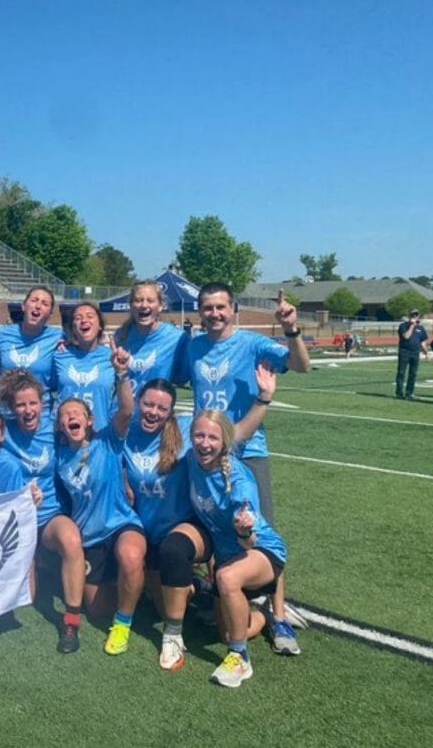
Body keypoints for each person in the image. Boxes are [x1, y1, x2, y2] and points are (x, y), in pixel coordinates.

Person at [124, 367, 275, 671]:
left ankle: (172, 634)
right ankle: (197, 589)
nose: (153, 411)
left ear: (171, 412)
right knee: (159, 602)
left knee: (173, 551)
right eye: (148, 404)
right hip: (146, 527)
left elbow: (234, 434)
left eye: (162, 407)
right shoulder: (127, 431)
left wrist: (263, 399)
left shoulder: (186, 432)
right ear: (139, 402)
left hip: (189, 528)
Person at [187, 283, 308, 654]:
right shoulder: (192, 347)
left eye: (221, 307)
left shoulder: (253, 344)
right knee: (214, 523)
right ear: (200, 311)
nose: (214, 314)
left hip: (248, 451)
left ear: (233, 308)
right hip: (206, 450)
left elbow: (301, 366)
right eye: (207, 307)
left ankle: (279, 615)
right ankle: (219, 595)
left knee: (260, 530)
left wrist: (292, 329)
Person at [188, 410, 289, 688]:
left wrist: (243, 528)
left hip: (260, 552)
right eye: (199, 435)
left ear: (224, 442)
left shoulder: (239, 479)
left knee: (227, 577)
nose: (204, 443)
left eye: (212, 437)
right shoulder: (192, 461)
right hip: (228, 558)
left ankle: (239, 658)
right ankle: (264, 618)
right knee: (229, 631)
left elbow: (249, 541)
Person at [54, 337, 139, 657]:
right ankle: (137, 587)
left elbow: (128, 410)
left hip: (120, 523)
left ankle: (129, 609)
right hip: (89, 536)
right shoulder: (59, 456)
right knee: (96, 608)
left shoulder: (107, 439)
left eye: (77, 413)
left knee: (131, 556)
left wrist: (121, 375)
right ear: (60, 426)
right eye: (64, 416)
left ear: (90, 420)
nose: (71, 418)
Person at [0, 368, 86, 653]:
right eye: (20, 404)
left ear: (42, 404)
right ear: (11, 408)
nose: (27, 410)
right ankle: (37, 561)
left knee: (71, 538)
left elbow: (85, 437)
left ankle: (71, 621)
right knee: (29, 599)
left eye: (33, 403)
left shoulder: (53, 427)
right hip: (15, 522)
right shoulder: (2, 431)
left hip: (48, 516)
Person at [113, 280, 190, 399]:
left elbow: (182, 379)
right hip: (121, 413)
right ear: (131, 305)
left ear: (160, 306)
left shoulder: (177, 338)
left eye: (150, 300)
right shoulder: (120, 336)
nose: (144, 305)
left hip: (154, 413)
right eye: (138, 300)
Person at [53, 302, 115, 431]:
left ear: (99, 326)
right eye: (78, 318)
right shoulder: (60, 355)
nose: (84, 320)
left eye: (90, 316)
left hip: (100, 434)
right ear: (73, 328)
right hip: (66, 434)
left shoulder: (111, 357)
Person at [0, 286, 62, 401]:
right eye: (34, 300)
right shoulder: (2, 334)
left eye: (45, 304)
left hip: (41, 413)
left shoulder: (58, 337)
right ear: (23, 306)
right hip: (7, 412)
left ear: (50, 314)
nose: (38, 306)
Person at [395, 309, 429, 399]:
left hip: (415, 353)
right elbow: (406, 336)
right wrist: (412, 326)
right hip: (404, 352)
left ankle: (409, 393)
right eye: (412, 315)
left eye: (416, 315)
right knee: (401, 372)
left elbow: (423, 342)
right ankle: (399, 392)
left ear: (418, 316)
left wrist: (426, 353)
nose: (414, 317)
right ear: (409, 316)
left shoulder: (421, 328)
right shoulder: (403, 326)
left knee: (413, 373)